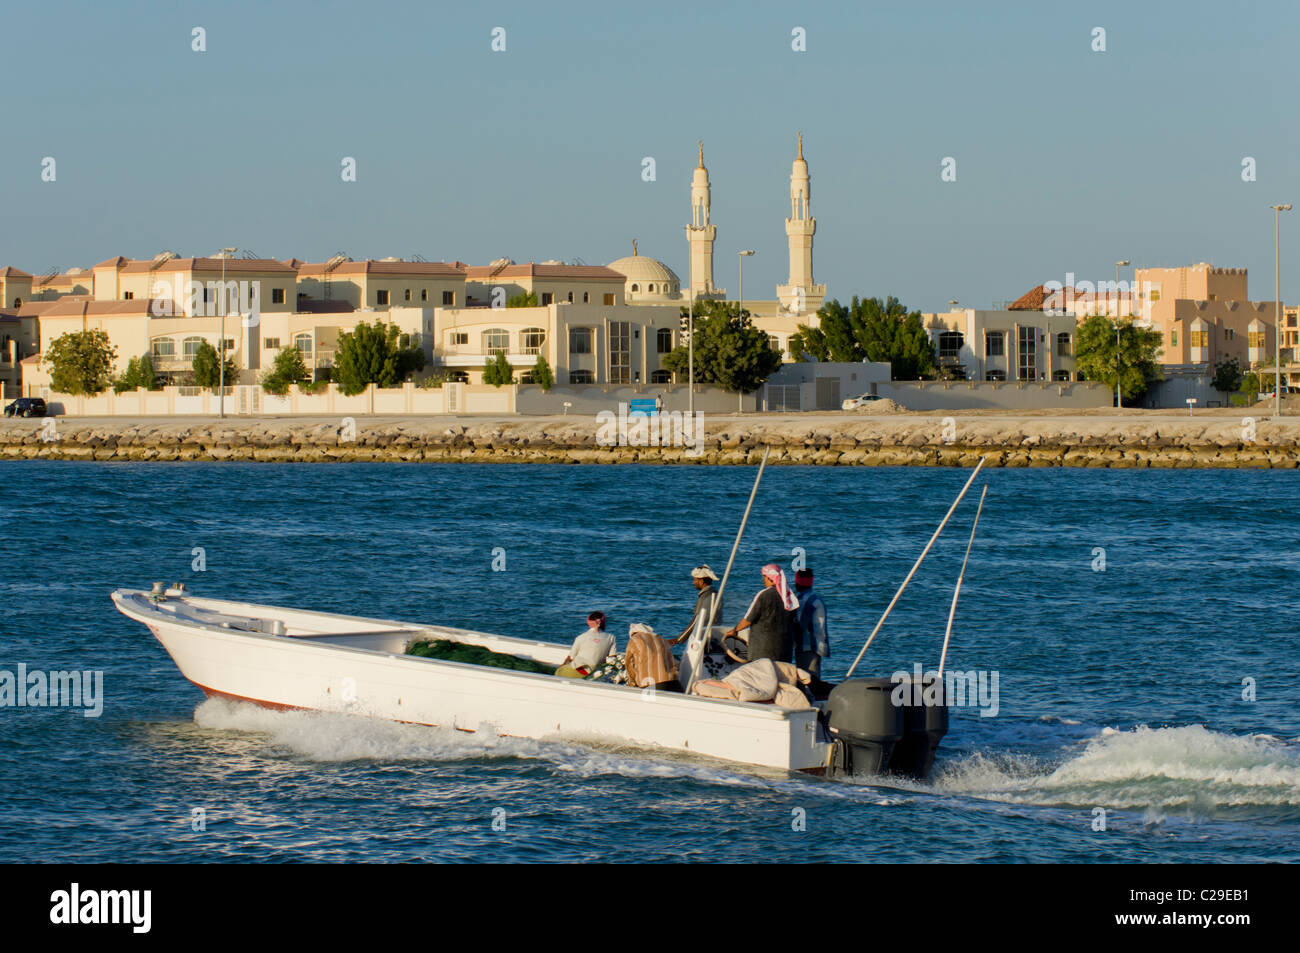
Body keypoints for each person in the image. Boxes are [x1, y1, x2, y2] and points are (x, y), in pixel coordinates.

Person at [723, 564, 797, 664]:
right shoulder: (789, 598)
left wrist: (735, 630)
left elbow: (748, 619)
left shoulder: (764, 595)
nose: (763, 580)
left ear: (769, 578)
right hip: (784, 653)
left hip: (762, 653)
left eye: (764, 577)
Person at [672, 565, 725, 647]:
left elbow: (697, 621)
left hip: (706, 638)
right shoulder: (715, 594)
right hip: (715, 634)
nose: (693, 583)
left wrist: (679, 639)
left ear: (702, 581)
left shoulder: (707, 596)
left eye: (695, 580)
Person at [792, 568, 830, 679]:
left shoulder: (804, 600)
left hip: (807, 647)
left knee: (808, 680)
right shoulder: (815, 598)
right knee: (814, 678)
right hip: (817, 646)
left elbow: (800, 625)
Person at [624, 623, 681, 692]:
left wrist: (632, 683)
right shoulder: (661, 639)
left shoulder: (634, 639)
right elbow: (672, 662)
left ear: (633, 633)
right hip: (673, 683)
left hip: (650, 684)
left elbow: (629, 664)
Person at [556, 611, 614, 678]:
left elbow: (571, 658)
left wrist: (562, 666)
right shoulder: (611, 637)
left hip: (580, 671)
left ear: (588, 622)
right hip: (596, 672)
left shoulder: (581, 637)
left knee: (559, 671)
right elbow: (612, 657)